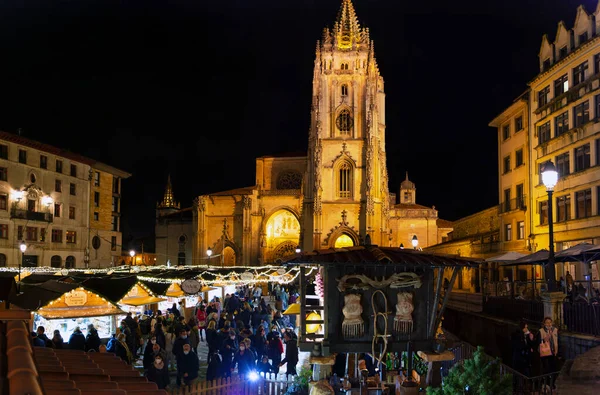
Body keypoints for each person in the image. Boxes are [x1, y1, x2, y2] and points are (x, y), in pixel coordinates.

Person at [537, 317, 559, 389]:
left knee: (553, 369)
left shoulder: (555, 330)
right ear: (544, 324)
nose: (549, 324)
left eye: (550, 322)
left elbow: (556, 340)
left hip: (553, 352)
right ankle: (545, 384)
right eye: (547, 322)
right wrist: (547, 336)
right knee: (546, 369)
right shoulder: (541, 331)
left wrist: (556, 350)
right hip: (545, 353)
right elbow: (540, 342)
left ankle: (552, 384)